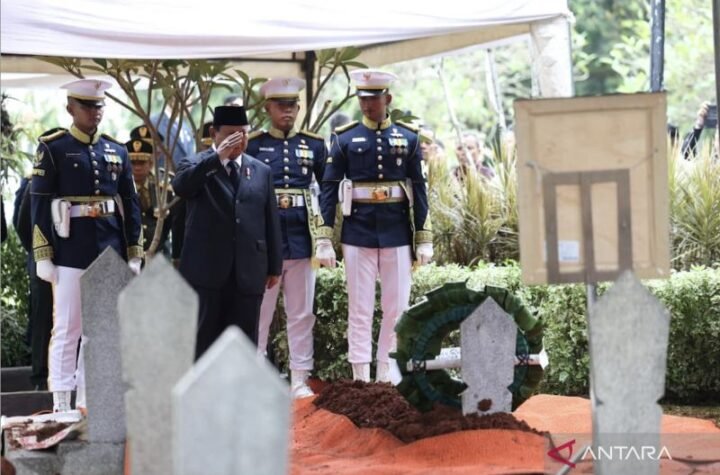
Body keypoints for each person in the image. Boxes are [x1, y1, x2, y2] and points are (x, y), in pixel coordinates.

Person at [30, 79, 143, 412]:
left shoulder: (117, 149)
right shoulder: (53, 148)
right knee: (67, 327)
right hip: (70, 250)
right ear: (70, 108)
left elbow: (130, 204)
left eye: (98, 106)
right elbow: (39, 204)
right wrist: (43, 254)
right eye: (87, 106)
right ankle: (62, 402)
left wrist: (133, 252)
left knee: (102, 330)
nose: (95, 112)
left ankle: (88, 402)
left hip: (109, 247)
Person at [317, 69, 433, 382]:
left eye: (374, 98)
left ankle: (386, 373)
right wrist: (324, 238)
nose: (367, 105)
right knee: (360, 308)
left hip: (397, 232)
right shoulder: (344, 138)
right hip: (358, 231)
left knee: (397, 307)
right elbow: (329, 188)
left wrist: (423, 237)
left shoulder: (409, 138)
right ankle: (360, 377)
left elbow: (419, 189)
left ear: (388, 98)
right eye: (363, 98)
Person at [172, 105, 282, 359]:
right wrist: (217, 158)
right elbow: (182, 187)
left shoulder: (260, 171)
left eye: (243, 134)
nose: (238, 141)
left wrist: (274, 265)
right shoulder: (196, 164)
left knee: (244, 345)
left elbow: (270, 219)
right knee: (204, 343)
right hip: (206, 273)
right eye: (231, 134)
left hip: (248, 271)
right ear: (214, 133)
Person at [245, 77, 327, 398]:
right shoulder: (253, 144)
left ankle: (299, 379)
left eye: (292, 105)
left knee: (301, 314)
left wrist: (324, 237)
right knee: (259, 313)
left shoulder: (314, 145)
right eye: (281, 106)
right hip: (265, 241)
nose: (287, 111)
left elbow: (328, 190)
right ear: (268, 108)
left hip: (301, 238)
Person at [14, 128, 66, 390]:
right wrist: (40, 253)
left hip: (70, 259)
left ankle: (64, 376)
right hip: (42, 258)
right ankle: (39, 377)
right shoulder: (35, 180)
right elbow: (23, 223)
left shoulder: (70, 177)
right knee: (43, 317)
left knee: (68, 321)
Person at [126, 138, 174, 255]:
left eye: (142, 163)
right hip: (130, 253)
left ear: (151, 164)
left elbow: (170, 222)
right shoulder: (121, 191)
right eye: (133, 163)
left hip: (158, 252)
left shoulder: (163, 190)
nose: (137, 168)